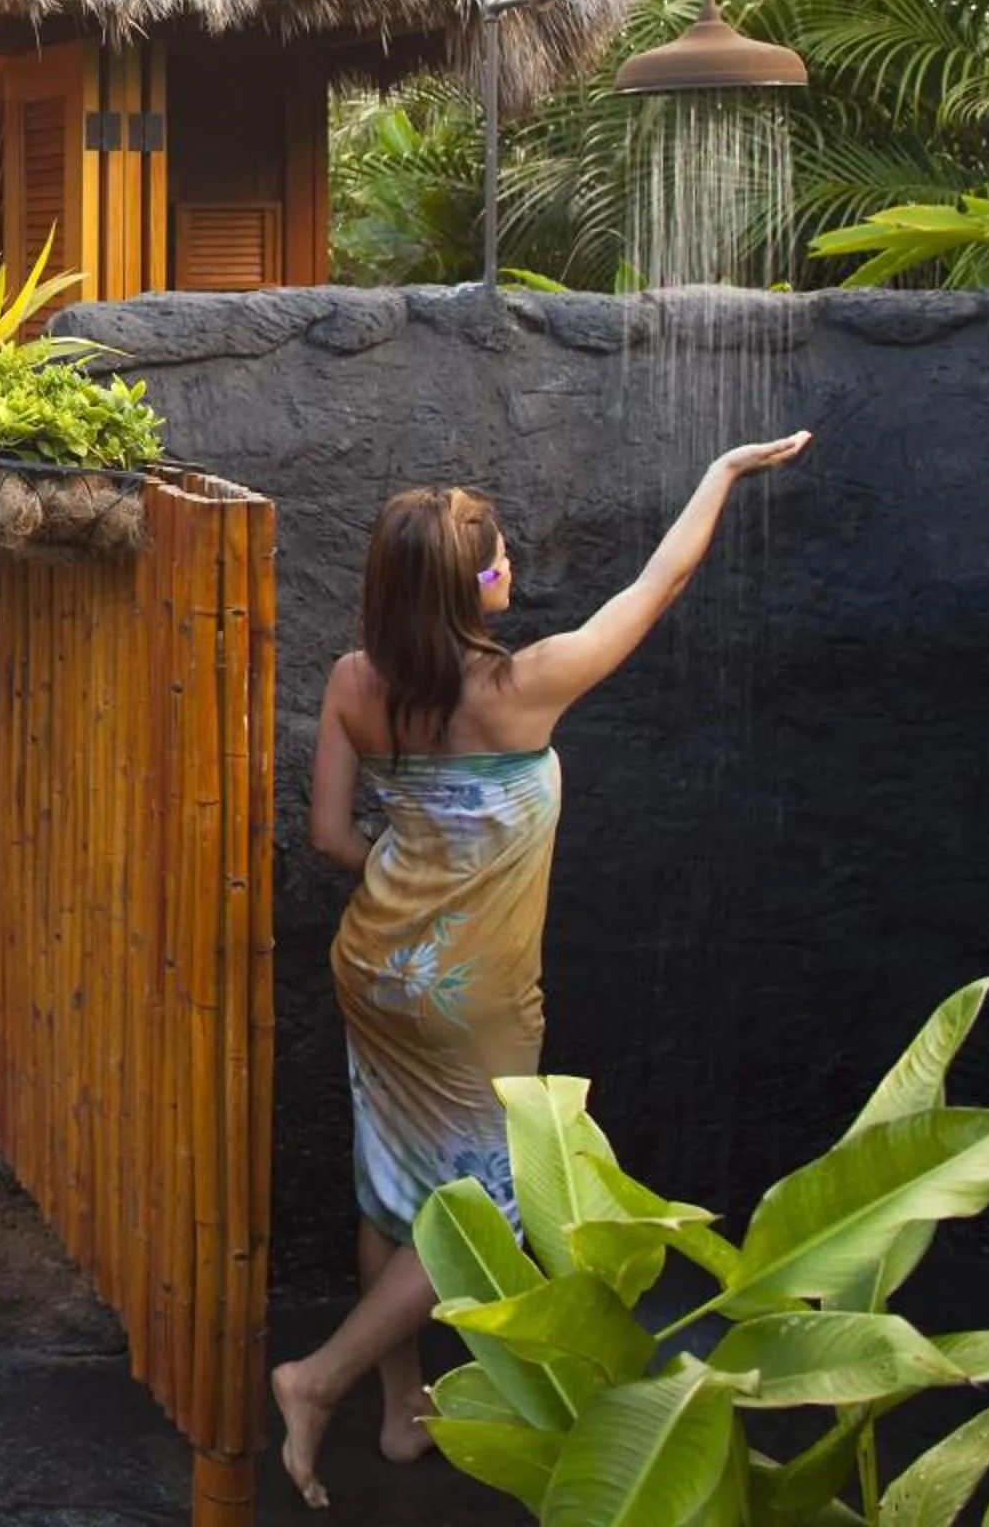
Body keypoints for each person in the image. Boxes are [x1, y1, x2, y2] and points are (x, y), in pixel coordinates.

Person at [269, 432, 813, 1509]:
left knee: (392, 1179)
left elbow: (331, 835)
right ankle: (318, 1378)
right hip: (472, 997)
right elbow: (659, 584)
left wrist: (417, 870)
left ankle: (402, 1411)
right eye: (500, 555)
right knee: (492, 1198)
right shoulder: (526, 684)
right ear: (474, 585)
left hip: (374, 967)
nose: (510, 563)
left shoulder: (351, 682)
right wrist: (718, 474)